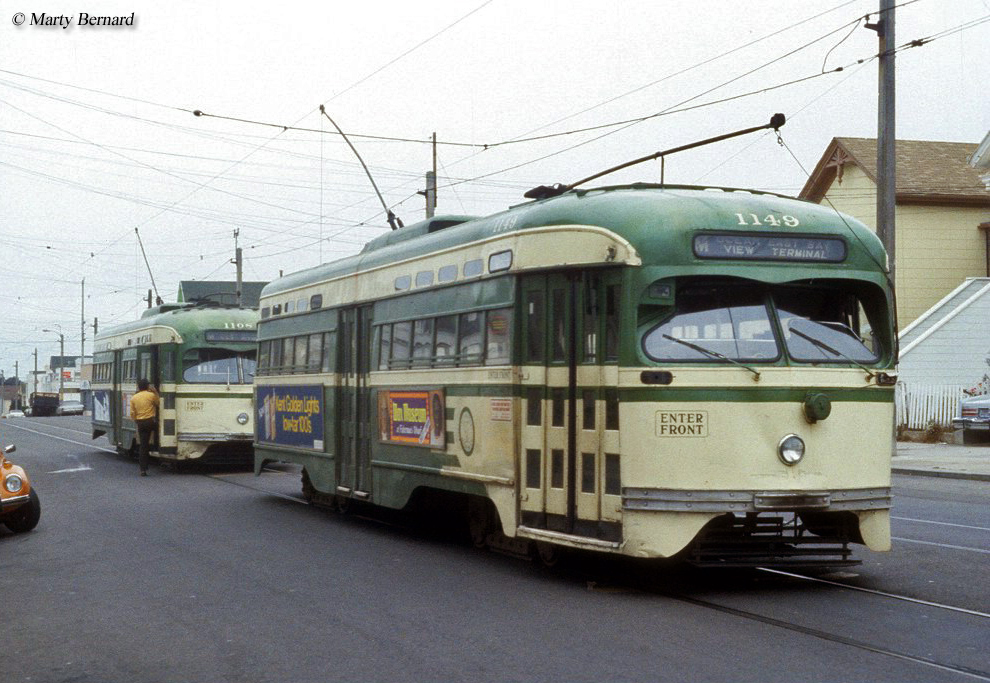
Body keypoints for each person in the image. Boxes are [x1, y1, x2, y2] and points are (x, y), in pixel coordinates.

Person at [130, 379, 159, 476]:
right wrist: (155, 392)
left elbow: (132, 413)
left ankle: (143, 469)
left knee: (143, 445)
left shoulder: (134, 398)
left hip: (140, 422)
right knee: (160, 430)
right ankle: (157, 445)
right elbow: (158, 403)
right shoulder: (151, 395)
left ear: (138, 387)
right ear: (147, 386)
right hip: (151, 421)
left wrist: (136, 420)